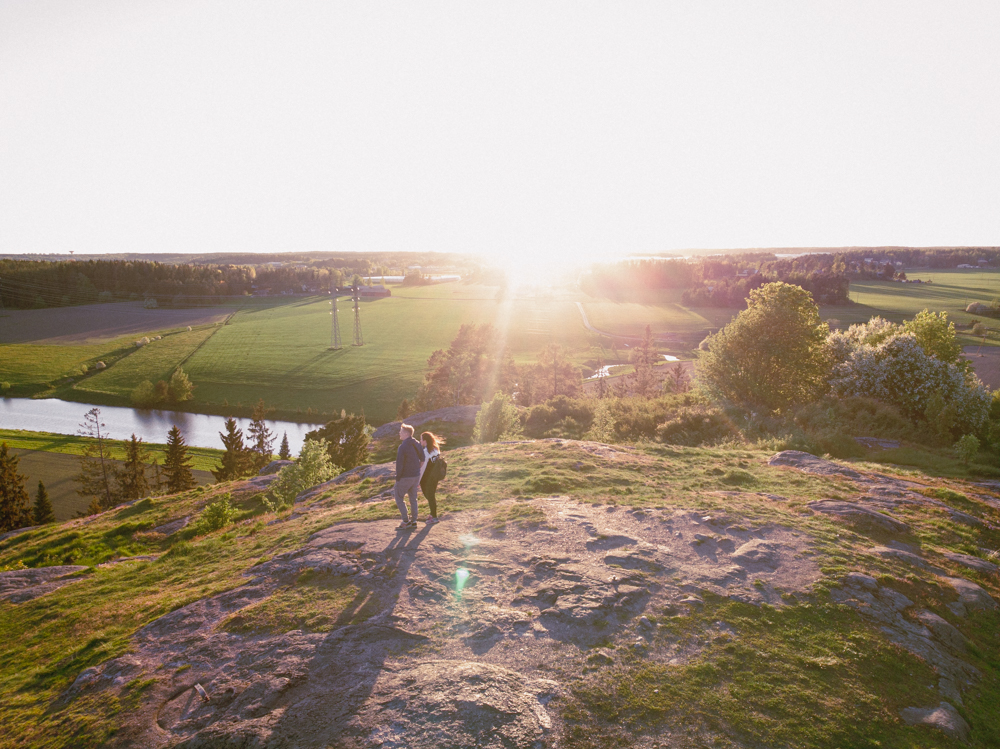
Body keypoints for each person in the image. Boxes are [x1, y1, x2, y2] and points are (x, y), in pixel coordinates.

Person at [393, 423, 423, 529]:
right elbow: (422, 458)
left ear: (406, 434)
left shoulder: (403, 447)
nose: (399, 433)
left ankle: (405, 521)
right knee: (413, 499)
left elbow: (399, 464)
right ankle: (414, 521)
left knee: (398, 497)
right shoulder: (417, 443)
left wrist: (398, 478)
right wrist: (416, 469)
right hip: (415, 476)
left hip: (405, 477)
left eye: (400, 432)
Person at [418, 431, 445, 524]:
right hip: (434, 477)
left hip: (426, 478)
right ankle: (432, 514)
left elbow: (422, 468)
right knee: (431, 496)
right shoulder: (436, 449)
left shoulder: (426, 452)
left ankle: (434, 517)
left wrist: (418, 481)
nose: (420, 441)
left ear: (425, 440)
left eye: (421, 439)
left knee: (429, 496)